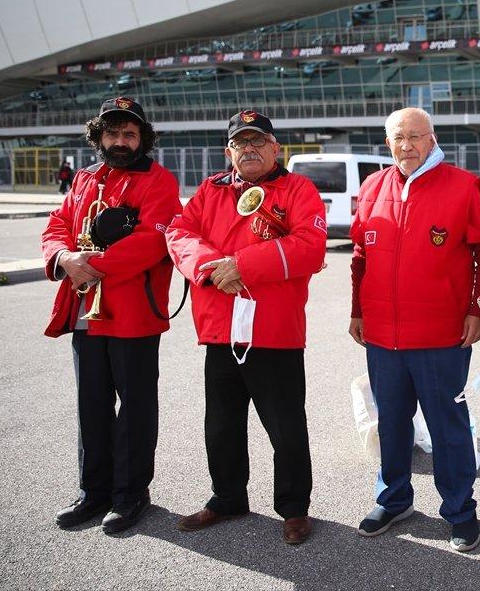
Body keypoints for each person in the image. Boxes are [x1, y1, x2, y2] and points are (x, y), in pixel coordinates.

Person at [166, 111, 327, 545]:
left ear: (277, 149)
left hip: (273, 329)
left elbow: (310, 248)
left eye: (258, 142)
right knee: (221, 424)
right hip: (221, 328)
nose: (249, 150)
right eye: (240, 143)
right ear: (229, 152)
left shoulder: (298, 189)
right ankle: (227, 496)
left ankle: (294, 508)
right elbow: (179, 233)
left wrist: (243, 265)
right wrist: (210, 268)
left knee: (285, 426)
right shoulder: (209, 190)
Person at [349, 108, 480, 551]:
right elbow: (360, 255)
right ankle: (394, 500)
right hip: (382, 336)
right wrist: (358, 310)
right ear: (388, 142)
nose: (407, 145)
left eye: (417, 136)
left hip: (441, 336)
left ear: (432, 140)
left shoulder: (460, 185)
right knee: (391, 423)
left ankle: (460, 510)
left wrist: (478, 310)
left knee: (447, 426)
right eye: (399, 137)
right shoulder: (373, 186)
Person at [41, 97, 181, 534]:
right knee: (92, 405)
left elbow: (151, 242)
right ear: (99, 137)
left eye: (129, 134)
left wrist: (91, 267)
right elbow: (56, 225)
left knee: (135, 408)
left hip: (133, 314)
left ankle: (130, 494)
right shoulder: (84, 178)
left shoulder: (159, 180)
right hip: (86, 311)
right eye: (112, 133)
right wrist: (63, 256)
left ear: (142, 139)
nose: (120, 141)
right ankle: (93, 492)